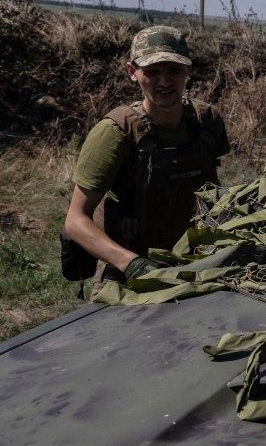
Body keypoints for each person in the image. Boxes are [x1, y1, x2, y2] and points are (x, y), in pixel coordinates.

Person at [62, 26, 230, 297]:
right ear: (133, 72)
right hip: (127, 273)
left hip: (192, 265)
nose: (164, 81)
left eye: (173, 69)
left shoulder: (207, 122)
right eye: (152, 71)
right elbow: (75, 220)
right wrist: (133, 264)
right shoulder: (116, 132)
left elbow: (211, 189)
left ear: (188, 70)